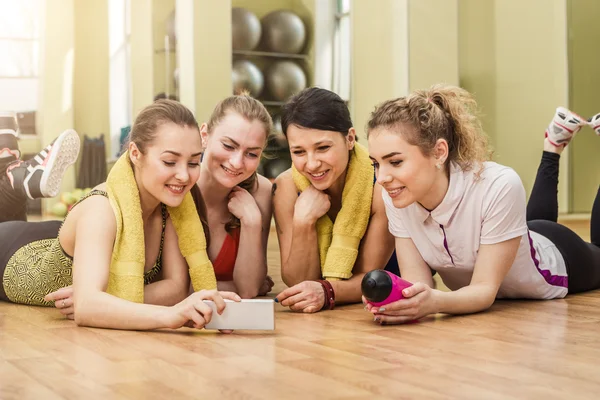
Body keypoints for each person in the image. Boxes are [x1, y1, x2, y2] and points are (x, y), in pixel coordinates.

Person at [365, 84, 600, 325]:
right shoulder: (395, 197)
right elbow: (418, 285)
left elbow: (483, 291)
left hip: (556, 257)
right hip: (517, 240)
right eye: (376, 164)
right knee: (527, 231)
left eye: (394, 162)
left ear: (439, 152)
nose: (381, 178)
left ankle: (554, 146)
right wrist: (403, 301)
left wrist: (433, 302)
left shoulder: (498, 183)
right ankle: (554, 143)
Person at [2, 100, 240, 331]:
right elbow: (87, 308)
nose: (184, 176)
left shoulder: (174, 208)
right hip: (11, 252)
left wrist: (108, 299)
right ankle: (13, 175)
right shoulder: (101, 208)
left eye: (193, 162)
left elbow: (176, 289)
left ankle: (10, 162)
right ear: (135, 154)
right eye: (169, 161)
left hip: (53, 237)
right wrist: (170, 314)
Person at [273, 87, 396, 313]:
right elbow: (297, 281)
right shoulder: (286, 186)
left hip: (381, 307)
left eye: (323, 148)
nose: (311, 164)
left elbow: (368, 277)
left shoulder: (381, 185)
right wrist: (303, 221)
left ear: (349, 138)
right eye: (299, 152)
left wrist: (326, 291)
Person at [196, 94, 274, 299]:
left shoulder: (260, 191)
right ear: (204, 135)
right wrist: (230, 286)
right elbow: (170, 287)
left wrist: (252, 221)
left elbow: (248, 289)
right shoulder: (179, 186)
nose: (237, 162)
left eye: (252, 154)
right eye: (229, 146)